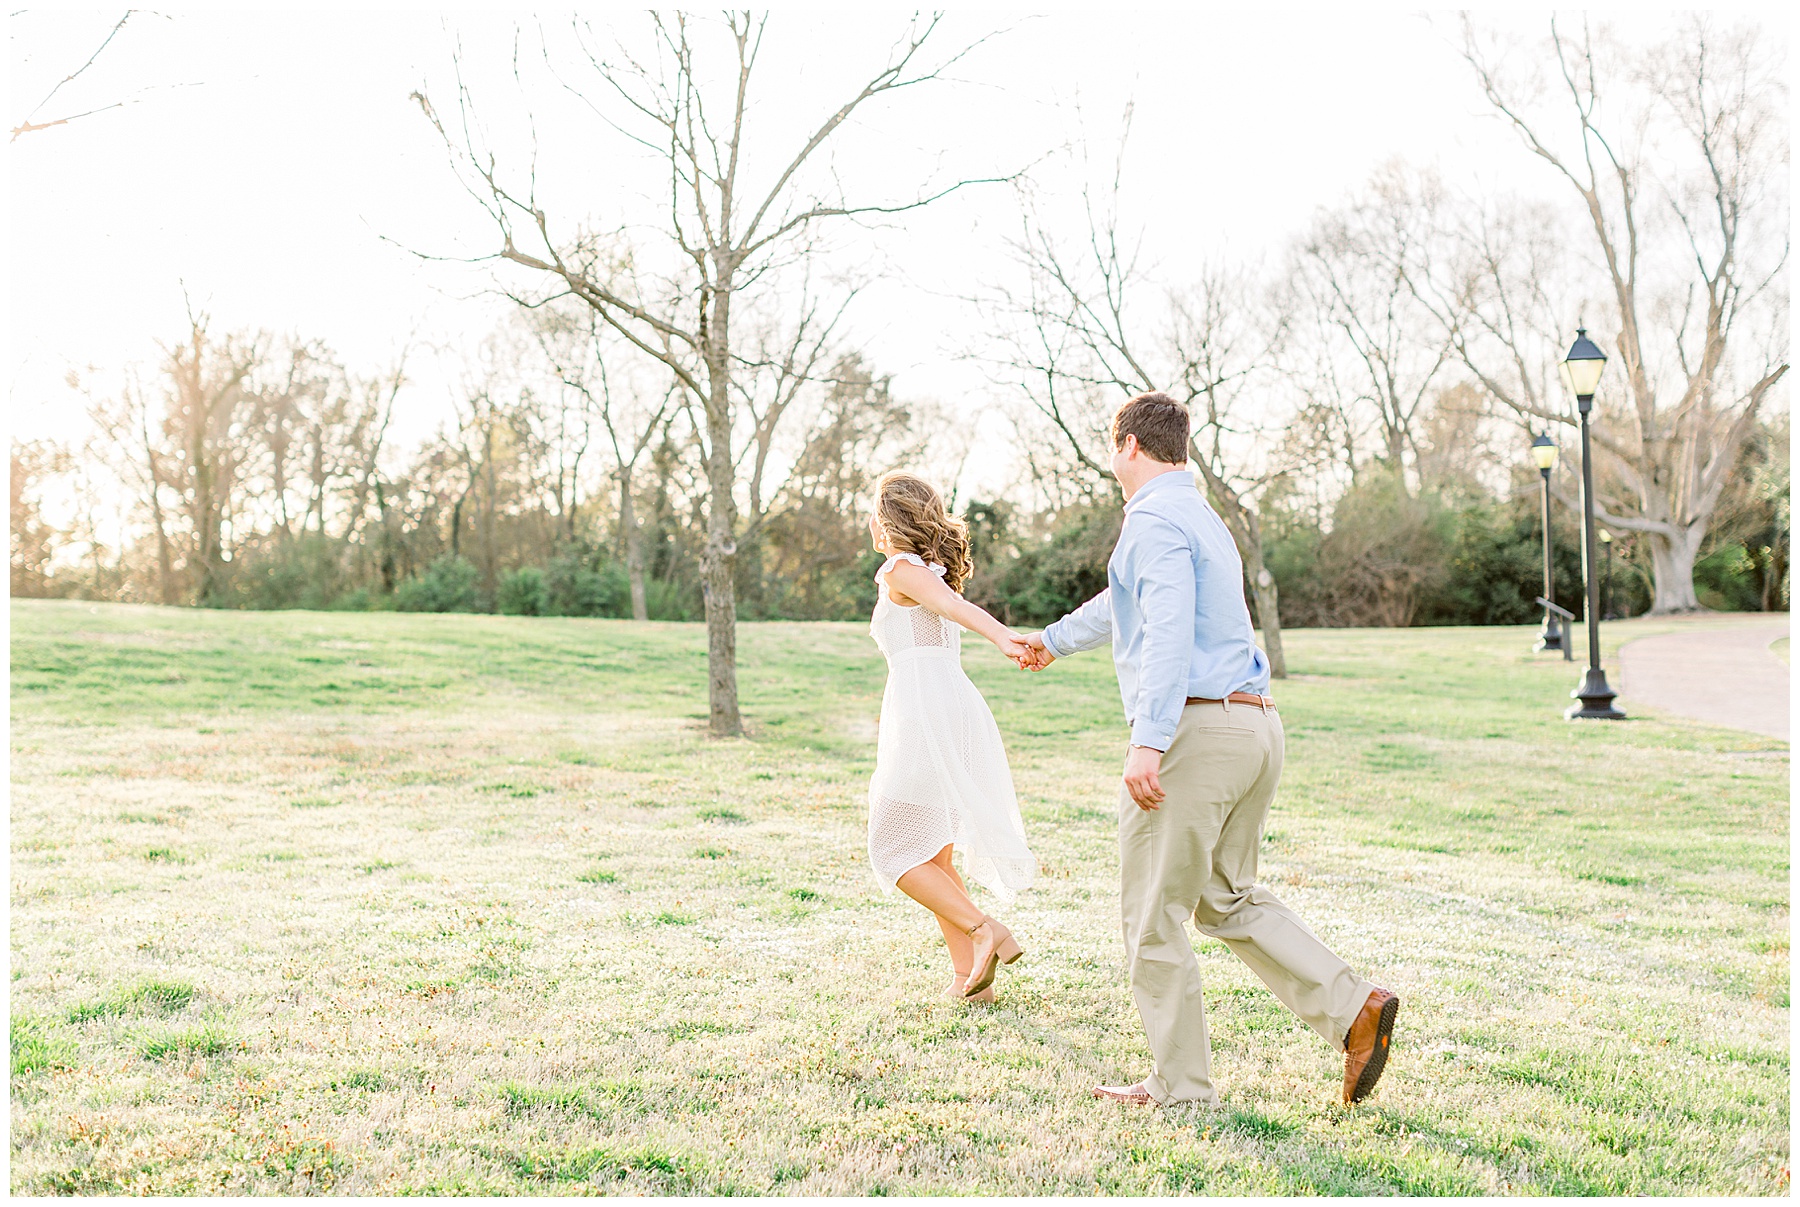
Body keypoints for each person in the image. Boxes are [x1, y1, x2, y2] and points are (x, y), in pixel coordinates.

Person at [1018, 392, 1398, 1106]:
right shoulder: (1200, 518)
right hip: (1254, 726)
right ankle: (1356, 1010)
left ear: (1128, 446)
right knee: (1225, 899)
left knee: (1152, 915)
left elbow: (1164, 629)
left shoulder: (1153, 520)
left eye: (1113, 448)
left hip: (1196, 732)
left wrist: (1148, 739)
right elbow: (1125, 601)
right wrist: (1052, 639)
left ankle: (1182, 1088)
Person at [865, 470, 1039, 1001]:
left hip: (925, 714)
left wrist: (1003, 637)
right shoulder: (928, 572)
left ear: (887, 520)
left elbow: (955, 610)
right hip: (946, 706)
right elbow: (950, 605)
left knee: (890, 848)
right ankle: (971, 981)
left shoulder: (901, 568)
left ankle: (985, 928)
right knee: (935, 858)